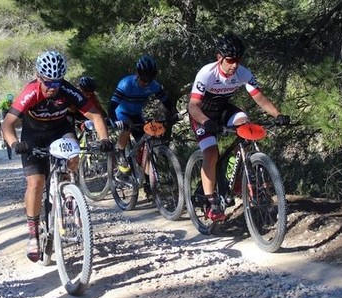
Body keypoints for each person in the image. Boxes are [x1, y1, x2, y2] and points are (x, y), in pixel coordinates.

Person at [1, 50, 113, 262]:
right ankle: (33, 234)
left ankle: (68, 194)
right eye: (48, 82)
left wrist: (104, 139)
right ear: (39, 76)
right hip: (33, 135)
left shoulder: (67, 90)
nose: (52, 87)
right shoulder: (31, 92)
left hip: (59, 130)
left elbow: (96, 115)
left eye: (57, 83)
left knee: (72, 155)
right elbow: (7, 124)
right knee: (36, 183)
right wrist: (15, 144)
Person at [187, 32, 290, 222]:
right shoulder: (207, 73)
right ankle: (211, 203)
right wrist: (206, 122)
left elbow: (259, 97)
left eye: (238, 59)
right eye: (231, 60)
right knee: (210, 153)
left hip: (224, 110)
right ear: (220, 58)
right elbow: (192, 106)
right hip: (202, 114)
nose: (235, 64)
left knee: (246, 127)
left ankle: (240, 178)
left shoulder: (243, 73)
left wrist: (278, 114)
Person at [108, 55, 177, 195]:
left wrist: (174, 113)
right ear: (137, 74)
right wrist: (115, 120)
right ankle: (121, 153)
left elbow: (166, 101)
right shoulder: (126, 84)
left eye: (149, 79)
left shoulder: (154, 85)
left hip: (137, 114)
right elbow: (111, 105)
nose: (146, 83)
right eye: (144, 79)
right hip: (122, 113)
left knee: (145, 146)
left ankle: (148, 182)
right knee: (127, 128)